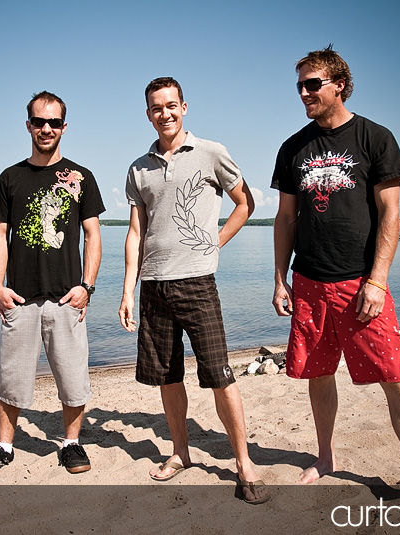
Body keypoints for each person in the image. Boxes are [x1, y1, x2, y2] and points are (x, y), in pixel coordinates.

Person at [271, 46, 400, 507]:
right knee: (318, 373)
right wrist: (278, 278)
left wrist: (377, 279)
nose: (304, 93)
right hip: (308, 282)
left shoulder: (374, 138)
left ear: (338, 85)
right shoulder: (293, 147)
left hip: (360, 284)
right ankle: (324, 456)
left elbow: (390, 213)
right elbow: (286, 219)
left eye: (313, 84)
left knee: (394, 377)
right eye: (300, 85)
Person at [119, 77, 269, 505]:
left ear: (184, 107)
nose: (163, 114)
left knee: (220, 376)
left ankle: (243, 463)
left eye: (170, 105)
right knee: (168, 377)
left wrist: (215, 242)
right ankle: (180, 452)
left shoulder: (210, 152)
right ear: (148, 113)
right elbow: (135, 232)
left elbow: (245, 203)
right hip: (154, 285)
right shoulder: (138, 167)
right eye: (155, 108)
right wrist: (127, 290)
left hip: (198, 283)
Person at [0, 91, 104, 477]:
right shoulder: (10, 177)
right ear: (28, 125)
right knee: (11, 378)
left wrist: (88, 286)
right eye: (39, 121)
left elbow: (93, 235)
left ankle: (72, 443)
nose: (47, 129)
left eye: (54, 122)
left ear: (64, 127)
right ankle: (4, 446)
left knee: (72, 377)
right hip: (21, 298)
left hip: (67, 298)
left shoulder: (81, 177)